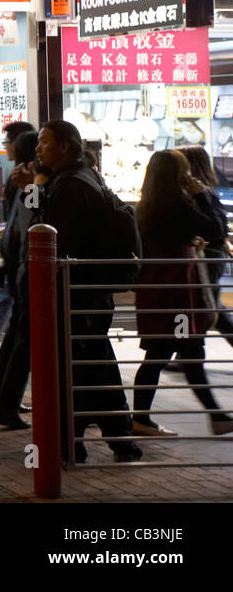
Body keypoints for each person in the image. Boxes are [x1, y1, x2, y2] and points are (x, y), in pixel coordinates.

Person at [35, 120, 142, 462]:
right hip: (92, 291)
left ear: (65, 146)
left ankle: (71, 443)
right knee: (95, 362)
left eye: (44, 142)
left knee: (74, 367)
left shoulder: (68, 188)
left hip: (76, 293)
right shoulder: (86, 177)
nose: (38, 148)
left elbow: (59, 245)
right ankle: (116, 440)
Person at [130, 149, 233, 437]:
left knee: (173, 352)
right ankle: (142, 419)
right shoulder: (177, 205)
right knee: (169, 352)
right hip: (177, 292)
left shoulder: (149, 205)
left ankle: (216, 416)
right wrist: (200, 194)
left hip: (158, 290)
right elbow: (216, 229)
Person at [0, 129, 39, 429]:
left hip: (18, 266)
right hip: (25, 268)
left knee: (17, 336)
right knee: (23, 339)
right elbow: (28, 225)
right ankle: (7, 404)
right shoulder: (27, 184)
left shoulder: (21, 181)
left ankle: (4, 399)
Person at [0, 123, 37, 359]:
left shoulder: (34, 182)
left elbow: (31, 219)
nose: (5, 148)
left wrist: (29, 188)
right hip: (18, 258)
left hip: (24, 260)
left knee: (19, 324)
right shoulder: (25, 178)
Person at [178, 145, 233, 351]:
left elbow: (216, 227)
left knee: (207, 306)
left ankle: (188, 352)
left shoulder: (201, 192)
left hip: (206, 258)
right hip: (211, 257)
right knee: (208, 305)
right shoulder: (205, 189)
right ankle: (187, 353)